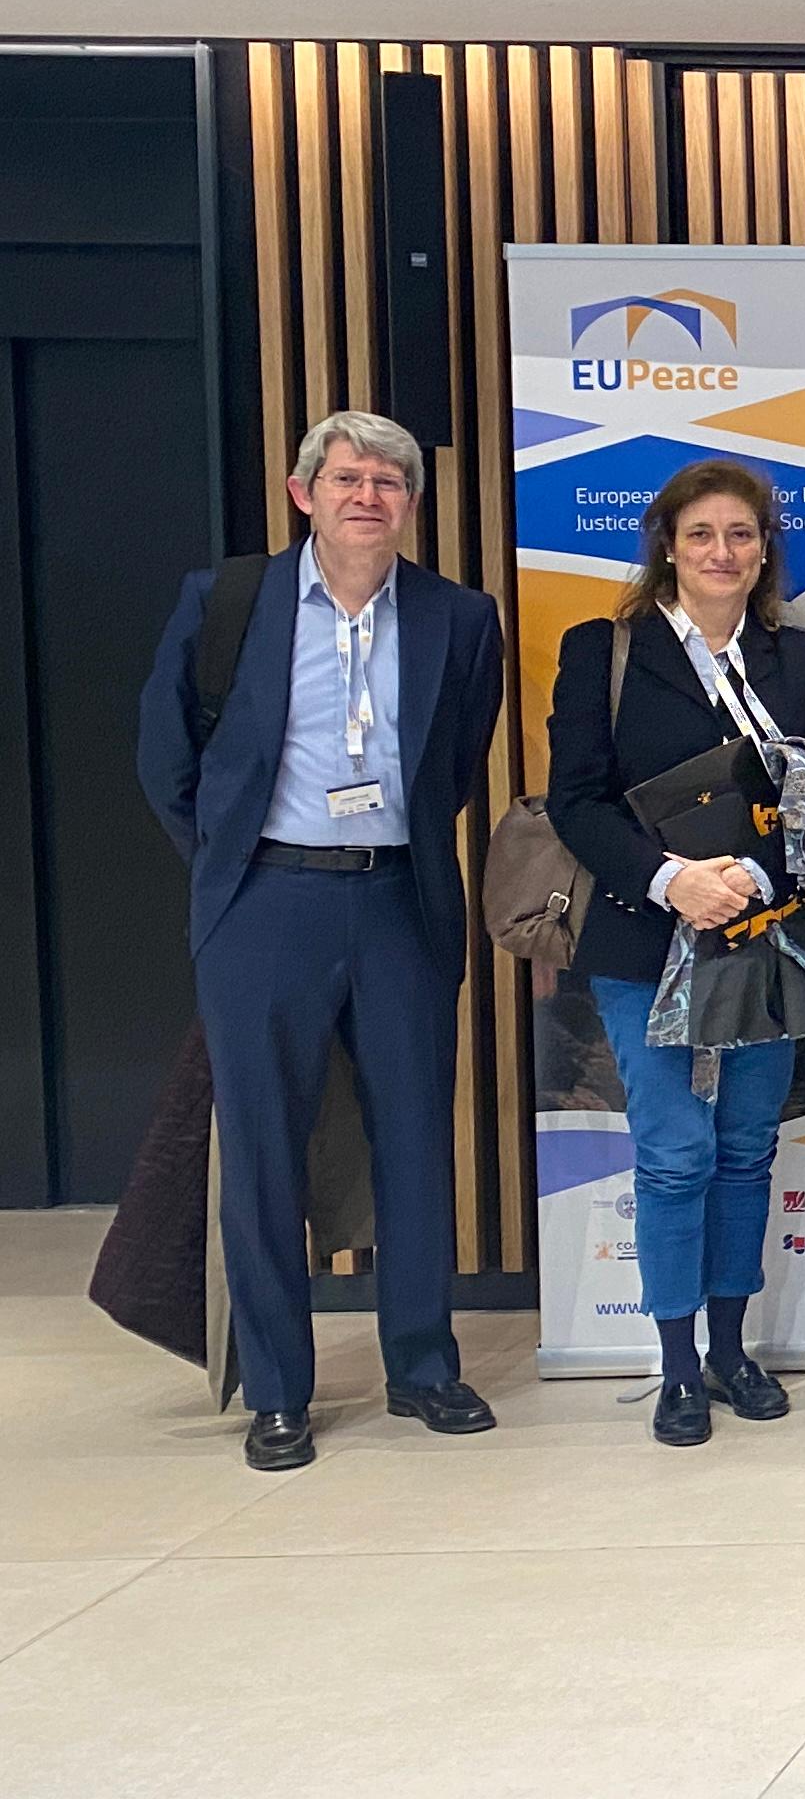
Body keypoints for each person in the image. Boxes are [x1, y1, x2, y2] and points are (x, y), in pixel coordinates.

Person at [136, 412, 504, 1473]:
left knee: (415, 1138)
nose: (368, 496)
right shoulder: (231, 603)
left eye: (389, 481)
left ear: (410, 503)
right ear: (305, 495)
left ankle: (424, 1369)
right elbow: (168, 757)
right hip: (265, 904)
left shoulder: (457, 618)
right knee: (261, 1152)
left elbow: (455, 768)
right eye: (347, 478)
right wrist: (230, 869)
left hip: (396, 900)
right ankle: (281, 1394)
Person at [543, 456, 805, 1447]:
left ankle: (732, 1349)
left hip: (765, 935)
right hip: (645, 934)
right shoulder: (606, 651)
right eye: (703, 534)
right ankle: (676, 1367)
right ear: (668, 546)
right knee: (675, 1153)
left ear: (765, 551)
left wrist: (754, 881)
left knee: (748, 1146)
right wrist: (675, 880)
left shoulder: (799, 663)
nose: (723, 553)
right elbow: (576, 800)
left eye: (742, 535)